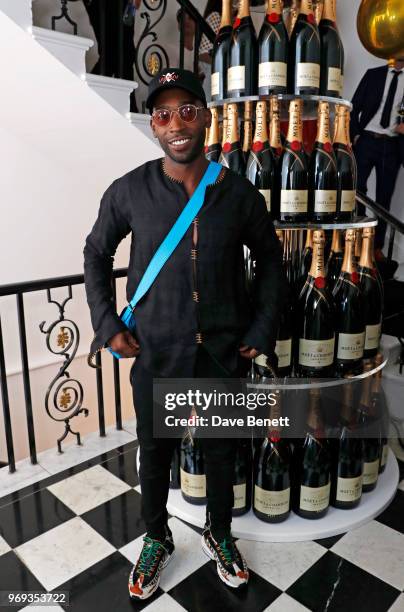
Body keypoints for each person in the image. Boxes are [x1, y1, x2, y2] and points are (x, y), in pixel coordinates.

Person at [83, 68, 285, 601]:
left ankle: (220, 532)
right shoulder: (130, 190)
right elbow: (95, 254)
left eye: (188, 111)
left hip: (221, 356)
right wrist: (107, 326)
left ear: (207, 118)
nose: (177, 123)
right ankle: (157, 537)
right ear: (153, 125)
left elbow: (270, 260)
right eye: (164, 113)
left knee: (221, 451)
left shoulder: (237, 194)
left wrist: (262, 327)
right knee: (156, 453)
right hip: (159, 355)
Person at [351, 58, 404, 258]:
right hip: (366, 140)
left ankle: (377, 248)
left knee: (384, 197)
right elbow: (353, 107)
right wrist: (355, 136)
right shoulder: (373, 74)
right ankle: (355, 237)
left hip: (391, 146)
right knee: (356, 190)